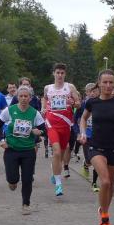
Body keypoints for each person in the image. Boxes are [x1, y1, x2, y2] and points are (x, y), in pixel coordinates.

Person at [79, 70, 114, 225]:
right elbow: (83, 118)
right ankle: (104, 218)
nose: (108, 85)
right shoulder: (92, 102)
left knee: (110, 185)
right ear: (99, 83)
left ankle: (103, 209)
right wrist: (83, 132)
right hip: (96, 147)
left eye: (111, 82)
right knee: (105, 182)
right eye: (105, 82)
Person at [0, 86, 46, 215]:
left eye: (26, 96)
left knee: (27, 179)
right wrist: (1, 141)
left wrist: (39, 132)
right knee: (13, 179)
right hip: (11, 149)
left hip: (28, 150)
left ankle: (26, 204)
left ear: (30, 98)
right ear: (17, 97)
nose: (24, 98)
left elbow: (44, 129)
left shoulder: (34, 113)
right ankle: (12, 182)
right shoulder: (9, 110)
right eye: (21, 96)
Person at [42, 63, 80, 196]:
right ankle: (58, 185)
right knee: (57, 151)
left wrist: (73, 103)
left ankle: (55, 171)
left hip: (66, 124)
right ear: (53, 73)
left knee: (61, 155)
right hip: (51, 123)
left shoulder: (70, 87)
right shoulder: (48, 88)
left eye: (62, 73)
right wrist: (43, 108)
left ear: (65, 74)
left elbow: (78, 103)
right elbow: (44, 99)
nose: (60, 75)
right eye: (57, 72)